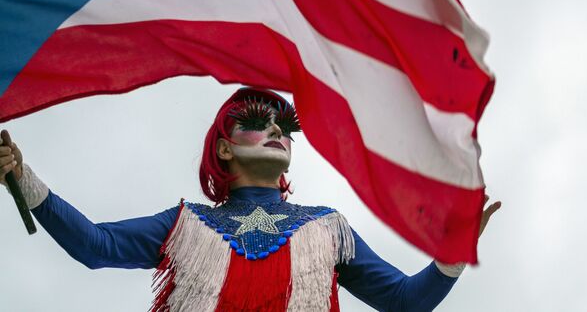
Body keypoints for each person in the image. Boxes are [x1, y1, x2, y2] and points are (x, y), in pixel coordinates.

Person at [0, 87, 500, 312]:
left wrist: (452, 256)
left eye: (283, 126)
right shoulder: (183, 226)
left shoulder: (328, 227)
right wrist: (23, 176)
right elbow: (95, 245)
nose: (275, 131)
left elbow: (403, 301)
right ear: (224, 145)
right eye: (257, 122)